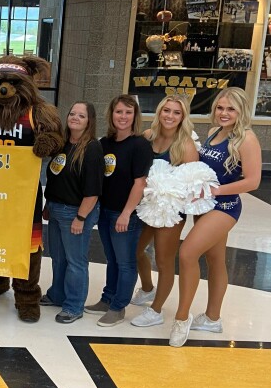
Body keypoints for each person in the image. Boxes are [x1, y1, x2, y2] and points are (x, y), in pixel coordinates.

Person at [170, 88, 261, 347]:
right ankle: (212, 318)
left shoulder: (247, 139)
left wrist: (218, 190)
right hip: (204, 206)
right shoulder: (213, 133)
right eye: (220, 108)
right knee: (216, 259)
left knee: (187, 253)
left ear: (241, 111)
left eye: (231, 109)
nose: (224, 113)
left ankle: (181, 318)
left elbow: (253, 181)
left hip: (225, 207)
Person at [130, 95, 199, 327]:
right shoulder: (148, 136)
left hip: (171, 210)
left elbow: (192, 184)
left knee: (163, 259)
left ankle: (156, 310)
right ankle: (148, 288)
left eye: (176, 113)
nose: (170, 116)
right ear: (159, 112)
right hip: (147, 205)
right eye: (166, 111)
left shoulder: (186, 145)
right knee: (136, 250)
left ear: (183, 117)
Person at [85, 95, 153, 327]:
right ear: (111, 115)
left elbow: (140, 182)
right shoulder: (105, 143)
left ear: (135, 116)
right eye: (119, 112)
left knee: (125, 262)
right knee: (112, 259)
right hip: (105, 210)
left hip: (125, 214)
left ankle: (118, 307)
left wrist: (126, 213)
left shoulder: (140, 145)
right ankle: (107, 298)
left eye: (128, 112)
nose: (123, 117)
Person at [40, 102, 104, 324]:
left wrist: (81, 218)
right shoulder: (62, 144)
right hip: (56, 208)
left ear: (89, 121)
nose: (75, 117)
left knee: (76, 261)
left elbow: (93, 190)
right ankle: (57, 294)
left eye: (82, 115)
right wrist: (49, 205)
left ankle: (74, 305)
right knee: (58, 258)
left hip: (75, 212)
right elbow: (56, 178)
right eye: (72, 113)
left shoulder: (92, 148)